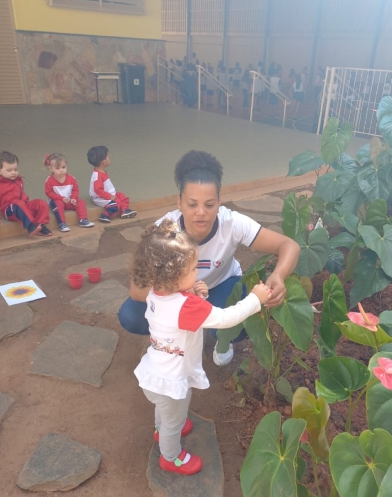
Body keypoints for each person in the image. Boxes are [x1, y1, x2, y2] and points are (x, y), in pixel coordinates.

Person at [118, 150, 301, 366]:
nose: (201, 212)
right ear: (179, 202)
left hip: (222, 284)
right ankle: (167, 336)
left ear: (219, 202)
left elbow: (289, 246)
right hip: (178, 291)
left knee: (239, 321)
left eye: (209, 204)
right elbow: (136, 290)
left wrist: (279, 275)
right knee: (131, 315)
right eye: (192, 204)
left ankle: (222, 339)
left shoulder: (232, 223)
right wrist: (184, 298)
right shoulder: (165, 231)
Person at [132, 220, 271, 475]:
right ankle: (170, 457)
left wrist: (197, 295)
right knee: (174, 420)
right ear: (174, 276)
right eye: (194, 268)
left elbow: (181, 313)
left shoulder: (156, 293)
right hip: (173, 378)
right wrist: (255, 299)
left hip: (155, 371)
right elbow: (226, 318)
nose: (198, 272)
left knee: (165, 410)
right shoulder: (186, 306)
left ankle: (161, 429)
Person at [0, 150, 52, 237]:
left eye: (15, 169)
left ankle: (41, 225)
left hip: (23, 206)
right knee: (18, 203)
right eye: (9, 170)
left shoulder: (18, 179)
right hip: (9, 210)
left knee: (41, 203)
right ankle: (30, 227)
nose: (13, 172)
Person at [44, 153, 94, 232]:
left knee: (80, 202)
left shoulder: (71, 178)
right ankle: (62, 223)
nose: (61, 170)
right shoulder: (49, 181)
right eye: (57, 168)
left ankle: (83, 220)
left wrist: (74, 198)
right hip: (58, 201)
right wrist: (61, 198)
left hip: (69, 201)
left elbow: (75, 190)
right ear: (50, 168)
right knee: (58, 203)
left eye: (63, 167)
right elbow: (49, 193)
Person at [87, 146, 137, 223]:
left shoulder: (101, 172)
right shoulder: (98, 176)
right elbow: (97, 190)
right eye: (108, 157)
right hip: (101, 198)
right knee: (116, 204)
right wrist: (109, 196)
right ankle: (105, 215)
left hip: (108, 194)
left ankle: (124, 210)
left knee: (122, 197)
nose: (110, 157)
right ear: (104, 162)